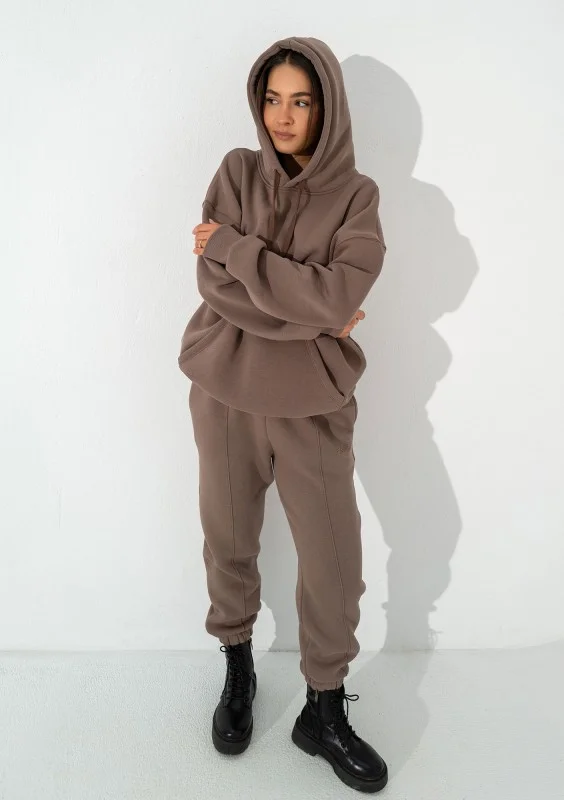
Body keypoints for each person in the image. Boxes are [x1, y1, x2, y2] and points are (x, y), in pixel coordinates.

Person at [179, 36, 388, 793]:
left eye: (301, 100)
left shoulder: (356, 197)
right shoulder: (236, 172)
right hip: (225, 390)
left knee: (333, 562)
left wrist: (240, 251)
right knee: (228, 537)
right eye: (272, 99)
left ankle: (323, 710)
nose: (283, 117)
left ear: (327, 108)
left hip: (313, 405)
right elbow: (218, 288)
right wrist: (314, 310)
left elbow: (337, 295)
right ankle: (237, 667)